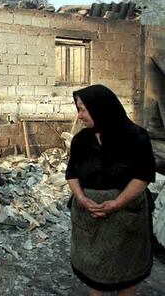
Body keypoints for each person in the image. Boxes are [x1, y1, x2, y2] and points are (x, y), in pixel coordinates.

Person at [65, 84, 156, 296]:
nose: (79, 116)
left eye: (83, 110)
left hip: (126, 218)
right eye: (78, 109)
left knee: (127, 275)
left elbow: (143, 177)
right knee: (95, 277)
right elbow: (72, 174)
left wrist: (117, 203)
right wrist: (81, 198)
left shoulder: (136, 137)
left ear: (100, 108)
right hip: (90, 218)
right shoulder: (81, 140)